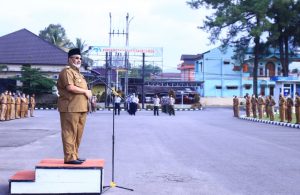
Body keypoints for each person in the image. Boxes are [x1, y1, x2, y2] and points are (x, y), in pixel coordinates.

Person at [57, 48, 92, 165]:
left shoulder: (79, 74)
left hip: (81, 107)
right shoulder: (67, 72)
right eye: (76, 58)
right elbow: (70, 87)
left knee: (78, 133)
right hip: (70, 107)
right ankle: (69, 157)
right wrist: (85, 91)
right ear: (69, 59)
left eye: (80, 58)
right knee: (69, 132)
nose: (79, 60)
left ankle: (75, 154)